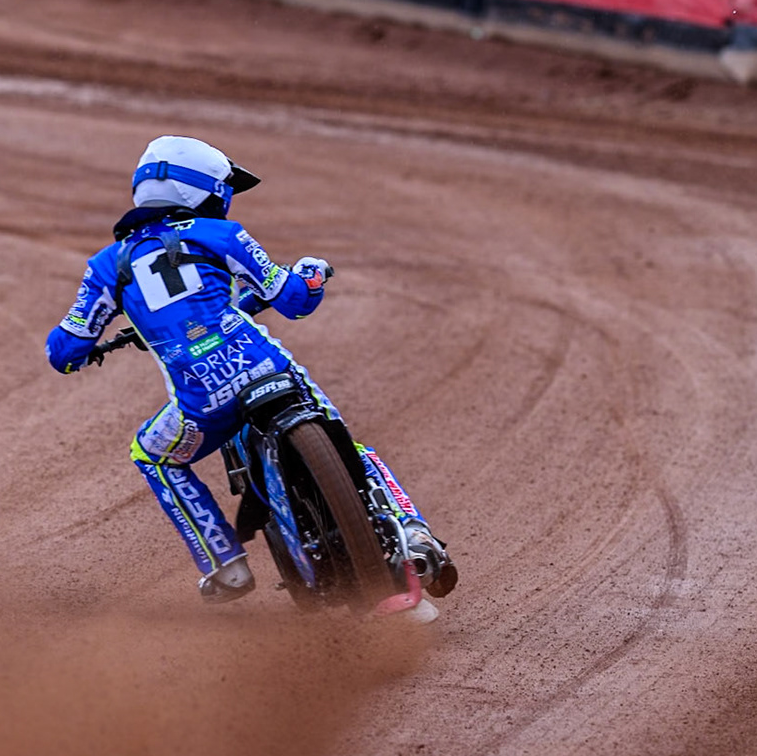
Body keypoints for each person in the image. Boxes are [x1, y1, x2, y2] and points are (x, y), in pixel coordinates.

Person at [45, 135, 457, 607]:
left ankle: (226, 565)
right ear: (199, 191)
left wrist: (81, 350)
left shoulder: (106, 267)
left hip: (204, 404)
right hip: (264, 365)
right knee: (347, 442)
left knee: (153, 454)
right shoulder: (222, 234)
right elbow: (295, 300)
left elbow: (64, 351)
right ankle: (413, 531)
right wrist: (311, 273)